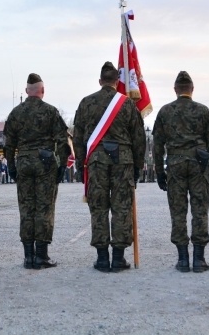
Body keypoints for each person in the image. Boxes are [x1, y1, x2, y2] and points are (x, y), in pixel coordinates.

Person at [73, 62, 145, 273]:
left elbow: (78, 138)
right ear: (116, 82)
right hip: (123, 161)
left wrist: (81, 165)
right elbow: (139, 138)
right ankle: (119, 258)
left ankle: (102, 258)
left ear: (100, 81)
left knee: (99, 207)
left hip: (96, 161)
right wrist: (137, 167)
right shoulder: (127, 104)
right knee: (122, 207)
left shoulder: (86, 103)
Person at [152, 71, 209, 273]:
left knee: (178, 210)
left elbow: (157, 145)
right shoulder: (203, 111)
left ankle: (183, 259)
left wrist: (159, 172)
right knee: (200, 210)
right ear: (192, 89)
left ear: (175, 90)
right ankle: (199, 259)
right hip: (199, 165)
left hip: (175, 164)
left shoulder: (165, 111)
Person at [3, 73, 70, 270]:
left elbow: (8, 144)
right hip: (45, 163)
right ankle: (41, 255)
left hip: (23, 162)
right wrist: (62, 165)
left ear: (26, 91)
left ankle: (28, 256)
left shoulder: (16, 113)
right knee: (44, 208)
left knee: (26, 208)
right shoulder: (50, 111)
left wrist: (11, 166)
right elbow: (63, 141)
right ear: (43, 90)